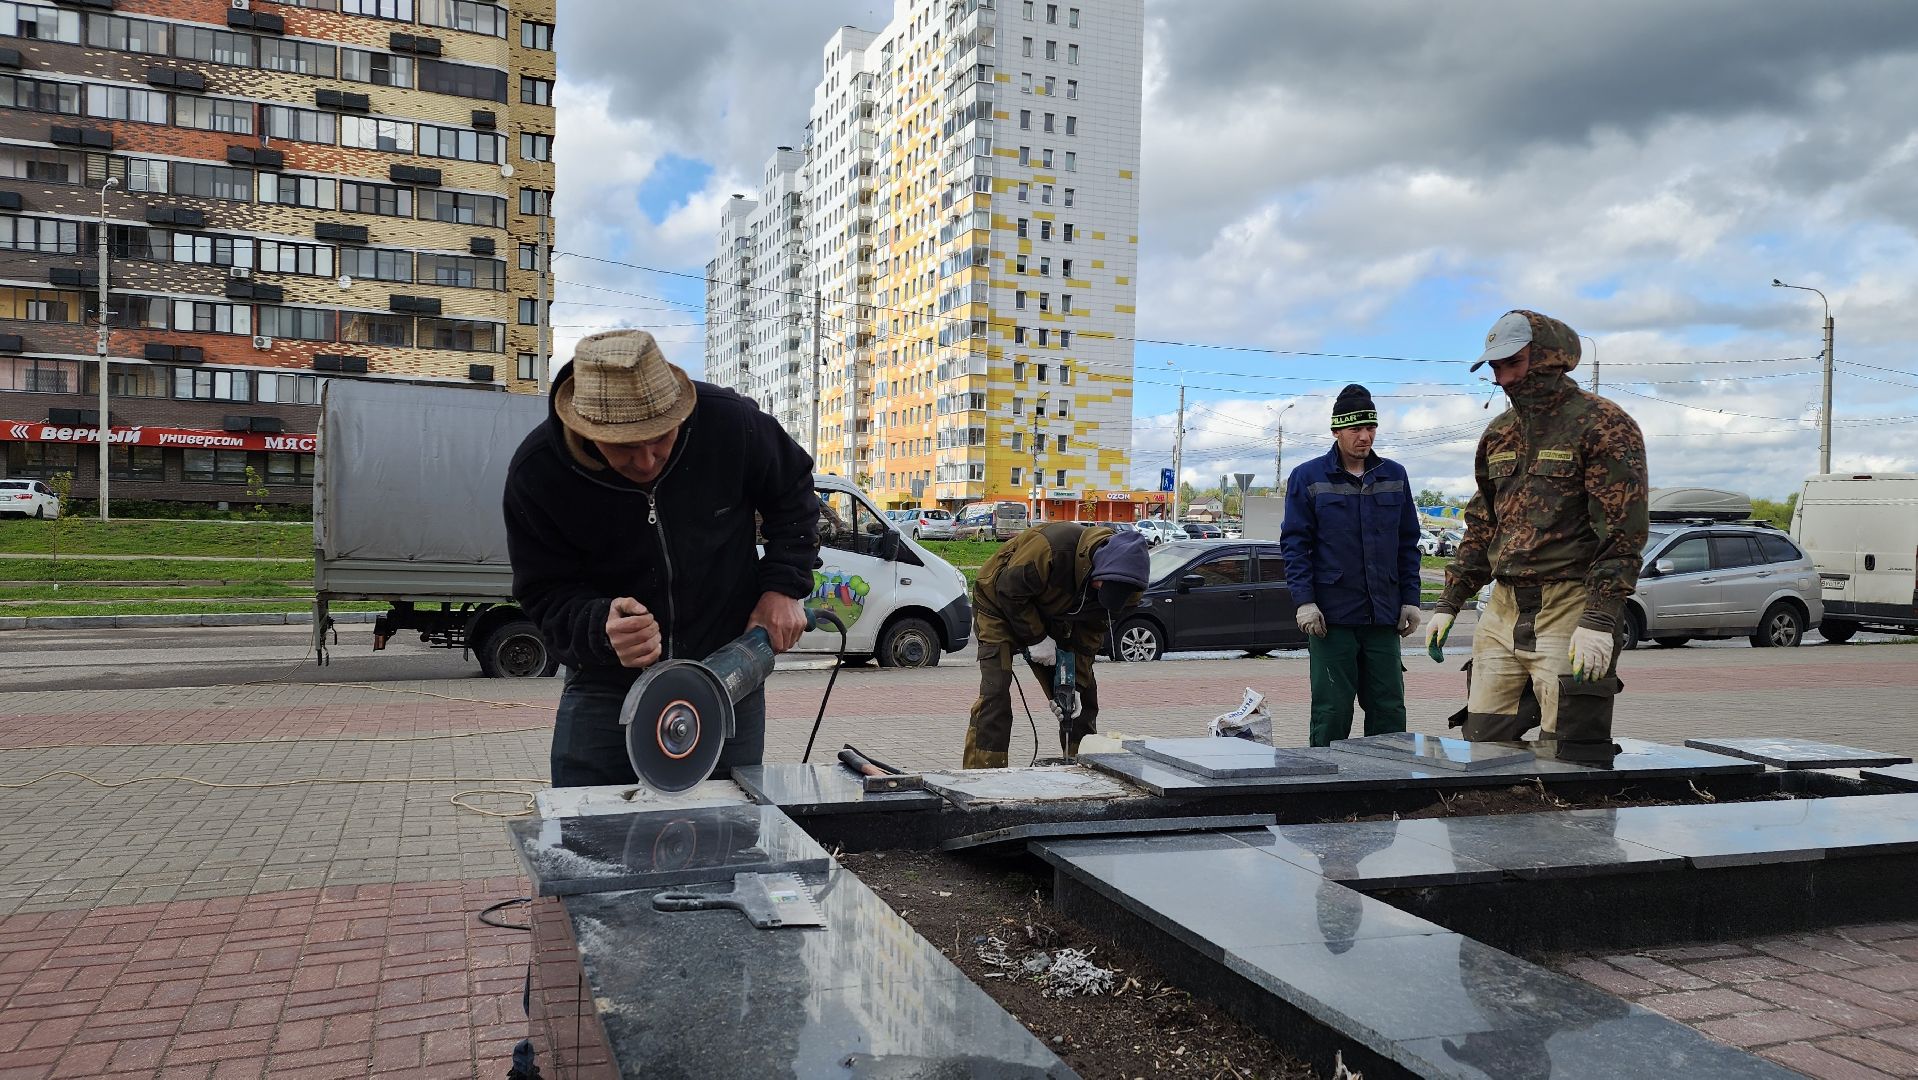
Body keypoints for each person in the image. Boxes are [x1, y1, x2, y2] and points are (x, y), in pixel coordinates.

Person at [503, 329, 820, 787]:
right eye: (625, 447)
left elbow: (793, 492)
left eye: (659, 438)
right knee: (587, 831)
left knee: (728, 827)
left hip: (727, 671)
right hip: (606, 684)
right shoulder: (539, 472)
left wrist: (783, 587)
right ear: (585, 430)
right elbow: (544, 590)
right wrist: (600, 626)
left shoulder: (730, 424)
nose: (648, 461)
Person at [1427, 310, 1649, 756]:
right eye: (1495, 367)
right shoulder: (1499, 434)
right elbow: (1483, 522)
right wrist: (1450, 601)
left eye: (1514, 363)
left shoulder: (1602, 425)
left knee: (1569, 747)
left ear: (1548, 358)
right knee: (1482, 740)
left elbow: (1623, 532)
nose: (1504, 378)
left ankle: (1571, 824)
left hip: (1568, 604)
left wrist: (1601, 618)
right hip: (1504, 607)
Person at [1279, 385, 1425, 746]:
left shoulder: (1394, 475)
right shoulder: (1309, 477)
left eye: (1370, 428)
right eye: (1355, 429)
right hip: (1333, 619)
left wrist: (1410, 598)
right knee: (1332, 710)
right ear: (1337, 431)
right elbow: (1295, 544)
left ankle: (1388, 788)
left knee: (1389, 709)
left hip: (1383, 617)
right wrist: (1304, 601)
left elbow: (1408, 542)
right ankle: (1328, 788)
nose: (1365, 436)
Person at [962, 522, 1151, 768]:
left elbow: (1089, 638)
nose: (1101, 591)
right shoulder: (1051, 547)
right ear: (1097, 566)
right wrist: (1037, 639)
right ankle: (982, 774)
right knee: (995, 693)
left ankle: (1080, 767)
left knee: (1081, 698)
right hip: (998, 605)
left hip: (1055, 615)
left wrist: (1073, 686)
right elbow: (1009, 591)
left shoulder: (1129, 591)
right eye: (1100, 585)